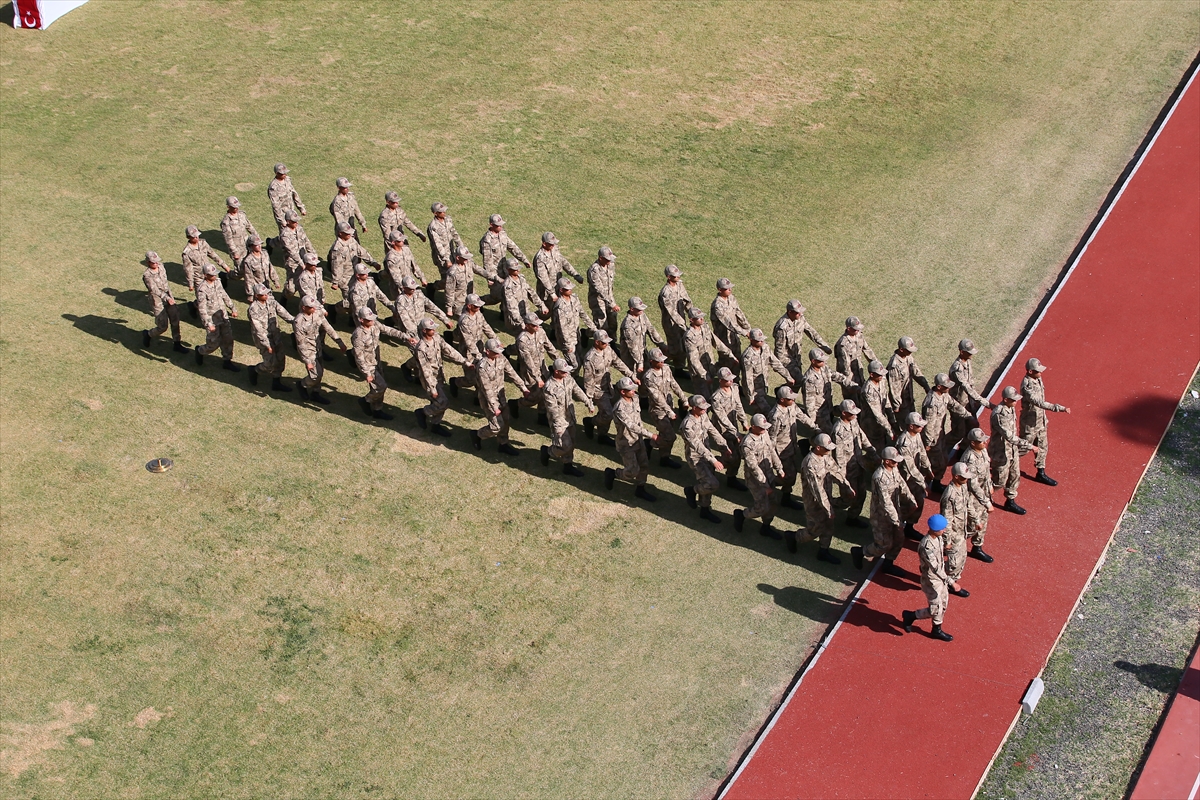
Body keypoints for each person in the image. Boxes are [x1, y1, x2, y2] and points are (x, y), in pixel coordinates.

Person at [851, 446, 915, 575]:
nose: (897, 463)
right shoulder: (880, 477)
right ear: (886, 461)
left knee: (898, 539)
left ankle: (888, 564)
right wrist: (897, 521)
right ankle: (860, 552)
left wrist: (911, 499)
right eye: (894, 461)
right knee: (883, 545)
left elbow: (901, 483)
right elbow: (885, 502)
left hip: (894, 511)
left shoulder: (893, 469)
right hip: (881, 515)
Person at [792, 433, 854, 562]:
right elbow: (817, 490)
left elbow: (836, 471)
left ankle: (823, 550)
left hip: (827, 496)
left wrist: (846, 486)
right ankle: (794, 537)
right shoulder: (810, 464)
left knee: (829, 525)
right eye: (827, 448)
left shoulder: (826, 456)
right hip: (814, 501)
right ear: (818, 447)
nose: (829, 450)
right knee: (815, 529)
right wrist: (828, 509)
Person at [470, 337, 530, 456]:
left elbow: (511, 373)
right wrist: (494, 407)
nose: (498, 353)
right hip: (489, 400)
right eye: (495, 351)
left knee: (506, 420)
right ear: (487, 351)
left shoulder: (501, 358)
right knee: (496, 426)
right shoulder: (482, 367)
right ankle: (477, 435)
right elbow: (486, 390)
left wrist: (523, 388)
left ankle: (503, 444)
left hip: (501, 396)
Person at [604, 377, 659, 501]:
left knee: (644, 465)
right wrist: (651, 435)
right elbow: (631, 426)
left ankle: (640, 489)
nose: (634, 391)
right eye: (630, 390)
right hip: (626, 443)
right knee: (632, 471)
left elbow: (638, 420)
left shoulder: (635, 399)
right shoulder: (619, 408)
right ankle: (613, 473)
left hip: (638, 440)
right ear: (622, 392)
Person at [351, 307, 411, 420]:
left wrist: (406, 337)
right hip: (368, 365)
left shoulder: (375, 325)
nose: (372, 321)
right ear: (361, 320)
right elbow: (359, 357)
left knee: (379, 386)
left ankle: (378, 410)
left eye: (372, 319)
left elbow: (388, 330)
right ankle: (365, 400)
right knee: (381, 386)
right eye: (369, 320)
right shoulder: (358, 335)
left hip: (376, 361)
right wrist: (367, 373)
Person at [901, 514, 954, 641]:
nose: (944, 530)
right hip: (931, 580)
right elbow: (934, 568)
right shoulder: (927, 546)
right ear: (935, 529)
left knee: (943, 605)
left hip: (939, 579)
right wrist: (951, 582)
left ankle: (911, 616)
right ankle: (935, 629)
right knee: (936, 608)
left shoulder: (938, 538)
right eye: (942, 528)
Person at [412, 318, 468, 436]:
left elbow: (449, 350)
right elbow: (425, 370)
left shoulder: (436, 338)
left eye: (434, 328)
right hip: (430, 380)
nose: (433, 331)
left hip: (439, 375)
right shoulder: (421, 348)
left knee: (438, 402)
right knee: (443, 402)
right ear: (424, 331)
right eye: (431, 329)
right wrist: (432, 388)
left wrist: (464, 361)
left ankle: (435, 425)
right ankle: (423, 413)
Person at [581, 330, 637, 447]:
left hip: (608, 387)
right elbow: (588, 380)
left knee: (607, 411)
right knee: (608, 414)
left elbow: (617, 362)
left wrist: (630, 375)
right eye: (604, 342)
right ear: (597, 342)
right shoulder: (590, 359)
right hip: (597, 391)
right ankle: (590, 422)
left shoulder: (608, 350)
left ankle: (602, 436)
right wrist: (589, 399)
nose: (606, 344)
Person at [1020, 357, 1070, 486]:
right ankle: (1002, 462)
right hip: (1030, 423)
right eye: (1038, 371)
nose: (1041, 373)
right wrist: (1058, 408)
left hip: (1041, 421)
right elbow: (1039, 402)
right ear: (1030, 371)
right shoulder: (1027, 385)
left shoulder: (1037, 379)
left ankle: (1040, 473)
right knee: (1023, 448)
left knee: (1043, 447)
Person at [540, 358, 594, 477]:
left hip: (570, 417)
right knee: (565, 445)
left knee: (572, 442)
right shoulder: (549, 388)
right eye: (564, 371)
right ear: (556, 371)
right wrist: (559, 427)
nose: (567, 373)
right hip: (559, 421)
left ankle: (568, 466)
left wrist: (587, 402)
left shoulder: (567, 378)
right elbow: (552, 410)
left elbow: (576, 389)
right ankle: (548, 452)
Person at [989, 385, 1038, 514]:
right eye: (1013, 399)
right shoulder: (999, 414)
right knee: (999, 481)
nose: (1016, 402)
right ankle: (983, 496)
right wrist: (1029, 446)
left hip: (1012, 451)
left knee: (1015, 476)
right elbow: (1009, 436)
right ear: (1005, 399)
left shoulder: (1010, 408)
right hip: (1001, 453)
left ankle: (1010, 501)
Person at [681, 394, 730, 523]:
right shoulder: (687, 425)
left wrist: (724, 446)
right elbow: (697, 446)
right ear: (693, 407)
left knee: (708, 482)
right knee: (712, 483)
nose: (705, 410)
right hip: (696, 458)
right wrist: (713, 460)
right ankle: (691, 491)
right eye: (701, 408)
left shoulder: (703, 416)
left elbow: (712, 430)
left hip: (707, 455)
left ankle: (705, 510)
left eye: (705, 408)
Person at [735, 413, 784, 539]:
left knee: (773, 502)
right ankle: (742, 514)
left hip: (769, 475)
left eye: (765, 427)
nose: (764, 430)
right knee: (762, 507)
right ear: (753, 427)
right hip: (756, 480)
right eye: (761, 428)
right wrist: (765, 485)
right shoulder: (747, 443)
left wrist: (779, 468)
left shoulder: (764, 433)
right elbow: (753, 467)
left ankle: (766, 527)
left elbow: (771, 450)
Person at [922, 372, 974, 490]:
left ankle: (935, 482)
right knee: (936, 462)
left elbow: (954, 405)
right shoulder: (932, 403)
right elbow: (928, 425)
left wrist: (968, 416)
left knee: (943, 459)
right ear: (939, 386)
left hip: (939, 435)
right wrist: (928, 443)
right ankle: (926, 485)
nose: (949, 387)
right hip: (933, 439)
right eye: (947, 386)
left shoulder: (943, 395)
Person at [940, 462, 985, 597]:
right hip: (953, 534)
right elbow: (946, 520)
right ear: (956, 476)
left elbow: (968, 504)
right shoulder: (950, 495)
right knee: (954, 562)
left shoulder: (963, 486)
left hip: (961, 530)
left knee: (962, 558)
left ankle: (948, 578)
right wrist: (947, 540)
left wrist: (976, 520)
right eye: (964, 477)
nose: (967, 479)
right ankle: (948, 584)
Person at [769, 385, 818, 510]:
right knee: (788, 476)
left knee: (791, 475)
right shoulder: (775, 416)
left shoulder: (791, 406)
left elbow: (802, 417)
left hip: (792, 446)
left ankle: (785, 496)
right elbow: (771, 439)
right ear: (781, 399)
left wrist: (815, 428)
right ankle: (765, 484)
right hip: (781, 451)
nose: (793, 400)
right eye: (790, 399)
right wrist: (775, 460)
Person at [293, 294, 347, 405]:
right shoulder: (299, 322)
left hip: (318, 347)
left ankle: (315, 393)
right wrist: (307, 361)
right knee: (315, 374)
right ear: (304, 307)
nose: (314, 309)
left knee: (320, 372)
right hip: (308, 351)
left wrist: (339, 342)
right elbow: (301, 343)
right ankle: (302, 384)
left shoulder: (317, 314)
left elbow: (328, 327)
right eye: (311, 307)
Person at [831, 399, 876, 528]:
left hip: (858, 465)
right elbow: (838, 457)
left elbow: (861, 437)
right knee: (848, 499)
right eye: (852, 413)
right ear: (844, 413)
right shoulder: (838, 431)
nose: (855, 415)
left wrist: (872, 451)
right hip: (847, 471)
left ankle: (852, 518)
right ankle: (825, 504)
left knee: (861, 495)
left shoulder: (853, 421)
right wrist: (843, 481)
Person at [643, 347, 687, 468]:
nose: (662, 362)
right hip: (658, 411)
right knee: (670, 436)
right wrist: (669, 412)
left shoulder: (666, 368)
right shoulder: (648, 377)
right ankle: (650, 443)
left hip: (669, 406)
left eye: (662, 360)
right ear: (651, 361)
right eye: (659, 361)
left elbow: (674, 384)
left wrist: (683, 398)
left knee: (666, 433)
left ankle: (664, 458)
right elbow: (657, 398)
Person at [247, 283, 294, 393]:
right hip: (264, 340)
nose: (266, 296)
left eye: (266, 293)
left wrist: (295, 321)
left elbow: (282, 312)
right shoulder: (253, 309)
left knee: (280, 359)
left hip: (276, 336)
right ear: (257, 295)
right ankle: (255, 370)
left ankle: (276, 382)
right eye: (263, 294)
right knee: (269, 363)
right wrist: (267, 345)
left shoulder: (271, 301)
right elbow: (258, 329)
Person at [327, 222, 380, 318]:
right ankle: (334, 309)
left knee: (361, 297)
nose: (349, 234)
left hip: (356, 275)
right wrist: (335, 281)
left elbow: (361, 252)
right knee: (349, 302)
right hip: (345, 279)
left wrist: (373, 262)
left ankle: (354, 316)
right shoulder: (337, 248)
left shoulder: (352, 240)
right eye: (347, 233)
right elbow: (336, 266)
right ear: (340, 233)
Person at [514, 313, 561, 421]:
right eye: (534, 325)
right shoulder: (522, 340)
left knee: (546, 392)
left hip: (543, 369)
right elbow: (528, 362)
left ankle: (542, 415)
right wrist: (538, 379)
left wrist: (558, 360)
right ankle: (516, 404)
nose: (537, 327)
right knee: (534, 397)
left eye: (538, 325)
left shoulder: (540, 332)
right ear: (527, 326)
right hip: (530, 374)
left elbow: (549, 346)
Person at [948, 339, 995, 443]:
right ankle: (939, 448)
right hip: (958, 404)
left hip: (968, 402)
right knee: (958, 432)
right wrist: (987, 403)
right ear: (962, 352)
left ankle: (964, 449)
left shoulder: (968, 361)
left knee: (973, 427)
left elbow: (971, 383)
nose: (971, 355)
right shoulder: (957, 368)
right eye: (969, 352)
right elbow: (967, 388)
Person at [193, 264, 238, 370]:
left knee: (228, 339)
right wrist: (208, 323)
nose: (214, 276)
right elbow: (202, 308)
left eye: (215, 274)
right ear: (205, 275)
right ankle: (200, 351)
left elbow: (224, 294)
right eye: (212, 275)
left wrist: (232, 308)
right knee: (213, 344)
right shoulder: (202, 289)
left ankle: (227, 361)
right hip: (212, 320)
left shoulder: (217, 281)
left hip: (223, 316)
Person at [959, 427, 995, 562]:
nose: (984, 443)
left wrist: (990, 485)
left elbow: (986, 472)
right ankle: (952, 546)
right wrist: (986, 501)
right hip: (972, 497)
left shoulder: (982, 450)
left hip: (983, 493)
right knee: (971, 524)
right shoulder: (970, 458)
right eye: (981, 441)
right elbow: (972, 484)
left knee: (983, 521)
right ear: (973, 443)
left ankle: (977, 547)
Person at [895, 411, 933, 538]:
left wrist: (928, 468)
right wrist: (923, 483)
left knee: (919, 502)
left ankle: (909, 527)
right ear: (911, 426)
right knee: (906, 504)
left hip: (916, 478)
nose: (921, 427)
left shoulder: (916, 435)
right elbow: (910, 467)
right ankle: (897, 529)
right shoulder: (904, 442)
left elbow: (922, 452)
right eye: (918, 425)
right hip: (907, 479)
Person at [773, 299, 832, 381]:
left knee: (796, 384)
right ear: (790, 312)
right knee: (799, 381)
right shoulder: (782, 328)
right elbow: (779, 352)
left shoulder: (800, 318)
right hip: (787, 360)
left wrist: (824, 346)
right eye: (798, 312)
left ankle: (785, 392)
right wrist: (784, 371)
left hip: (797, 357)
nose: (800, 314)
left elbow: (811, 332)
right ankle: (780, 392)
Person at [801, 348, 857, 433]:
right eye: (820, 361)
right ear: (813, 361)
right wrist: (812, 423)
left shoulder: (824, 368)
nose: (823, 362)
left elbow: (837, 376)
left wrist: (853, 385)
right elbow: (809, 403)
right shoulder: (810, 379)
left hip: (829, 407)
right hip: (820, 414)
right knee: (830, 435)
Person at [684, 307, 736, 397]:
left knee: (711, 393)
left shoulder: (705, 327)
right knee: (703, 398)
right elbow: (693, 359)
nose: (702, 319)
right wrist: (704, 375)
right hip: (699, 373)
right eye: (699, 318)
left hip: (710, 366)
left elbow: (716, 342)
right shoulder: (690, 336)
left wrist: (730, 354)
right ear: (691, 320)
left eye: (702, 317)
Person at [140, 251, 187, 352]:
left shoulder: (161, 267)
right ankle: (148, 334)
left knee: (175, 320)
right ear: (148, 262)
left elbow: (166, 284)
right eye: (154, 262)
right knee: (162, 326)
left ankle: (177, 343)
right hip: (157, 300)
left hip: (168, 297)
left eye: (157, 261)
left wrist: (171, 297)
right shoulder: (147, 275)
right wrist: (167, 298)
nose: (156, 264)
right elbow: (154, 290)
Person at [711, 366, 748, 490]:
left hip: (733, 427)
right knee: (731, 455)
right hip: (722, 430)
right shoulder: (716, 398)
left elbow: (738, 405)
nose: (730, 381)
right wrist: (736, 434)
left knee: (737, 454)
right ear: (720, 380)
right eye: (727, 380)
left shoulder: (734, 388)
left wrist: (744, 421)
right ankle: (709, 463)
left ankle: (731, 478)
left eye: (731, 379)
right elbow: (722, 419)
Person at [741, 328, 793, 415]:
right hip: (755, 390)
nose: (761, 342)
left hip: (764, 385)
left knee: (762, 411)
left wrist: (788, 376)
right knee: (767, 412)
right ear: (751, 340)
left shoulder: (765, 348)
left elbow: (775, 362)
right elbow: (747, 378)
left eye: (762, 340)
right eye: (759, 340)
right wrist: (751, 396)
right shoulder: (748, 357)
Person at [182, 225, 230, 316]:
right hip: (198, 277)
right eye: (194, 236)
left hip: (210, 274)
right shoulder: (187, 252)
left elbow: (213, 254)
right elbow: (188, 269)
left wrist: (224, 265)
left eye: (197, 235)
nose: (196, 238)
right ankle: (196, 308)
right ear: (188, 237)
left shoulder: (203, 243)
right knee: (202, 299)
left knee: (215, 293)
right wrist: (191, 283)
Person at [451, 293, 494, 392]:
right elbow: (468, 342)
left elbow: (485, 326)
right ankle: (456, 382)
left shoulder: (478, 314)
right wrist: (478, 356)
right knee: (471, 379)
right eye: (476, 306)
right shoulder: (464, 321)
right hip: (469, 353)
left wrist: (495, 339)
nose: (479, 307)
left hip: (480, 347)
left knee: (482, 374)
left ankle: (478, 396)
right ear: (469, 306)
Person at [619, 296, 667, 377]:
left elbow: (651, 329)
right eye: (639, 309)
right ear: (632, 309)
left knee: (646, 375)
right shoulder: (628, 325)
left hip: (642, 351)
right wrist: (639, 362)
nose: (642, 310)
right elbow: (632, 346)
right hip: (632, 357)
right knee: (634, 377)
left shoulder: (641, 315)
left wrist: (661, 344)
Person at [277, 210, 317, 307]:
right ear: (288, 221)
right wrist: (301, 263)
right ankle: (284, 298)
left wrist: (313, 253)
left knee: (307, 283)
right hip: (293, 263)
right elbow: (292, 252)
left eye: (297, 221)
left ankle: (305, 305)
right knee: (291, 288)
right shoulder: (285, 235)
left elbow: (306, 240)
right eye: (294, 221)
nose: (296, 223)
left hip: (305, 259)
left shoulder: (299, 229)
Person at [551, 278, 592, 369]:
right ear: (561, 290)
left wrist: (592, 326)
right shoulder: (560, 307)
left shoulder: (574, 299)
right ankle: (558, 374)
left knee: (580, 360)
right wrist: (568, 345)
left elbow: (582, 313)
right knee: (574, 365)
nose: (570, 290)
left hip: (576, 334)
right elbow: (562, 328)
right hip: (566, 339)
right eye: (568, 289)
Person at [499, 258, 548, 334]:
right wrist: (520, 322)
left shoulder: (521, 278)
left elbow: (531, 292)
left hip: (526, 313)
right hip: (516, 319)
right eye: (515, 269)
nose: (518, 270)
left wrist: (541, 305)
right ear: (508, 270)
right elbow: (511, 307)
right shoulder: (508, 286)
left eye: (518, 268)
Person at [710, 278, 752, 366]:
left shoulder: (731, 298)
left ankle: (736, 379)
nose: (730, 290)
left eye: (730, 287)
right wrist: (745, 333)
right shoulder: (717, 305)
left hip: (734, 336)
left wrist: (748, 329)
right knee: (727, 361)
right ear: (720, 289)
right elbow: (728, 324)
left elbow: (739, 314)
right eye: (727, 288)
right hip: (723, 338)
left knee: (737, 360)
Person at [886, 336, 930, 420]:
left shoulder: (908, 357)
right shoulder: (894, 366)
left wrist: (926, 386)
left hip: (909, 398)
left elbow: (916, 372)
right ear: (901, 349)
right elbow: (894, 387)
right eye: (909, 350)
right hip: (901, 404)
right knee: (905, 424)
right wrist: (896, 405)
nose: (911, 352)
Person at [533, 231, 583, 306]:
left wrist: (575, 274)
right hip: (547, 293)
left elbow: (563, 261)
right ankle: (530, 317)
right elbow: (543, 277)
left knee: (560, 311)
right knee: (546, 313)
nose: (553, 245)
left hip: (559, 287)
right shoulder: (540, 258)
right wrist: (552, 293)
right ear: (544, 244)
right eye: (551, 244)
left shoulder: (554, 248)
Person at [658, 264, 692, 368]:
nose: (678, 277)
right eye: (675, 275)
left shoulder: (679, 285)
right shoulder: (665, 293)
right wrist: (682, 325)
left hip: (681, 319)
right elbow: (671, 312)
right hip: (671, 323)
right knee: (675, 346)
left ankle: (680, 365)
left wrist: (692, 314)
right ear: (668, 276)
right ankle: (672, 365)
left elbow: (687, 300)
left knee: (683, 343)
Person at [479, 214, 532, 279]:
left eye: (501, 224)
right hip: (495, 274)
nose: (500, 226)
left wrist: (524, 260)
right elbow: (487, 262)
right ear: (491, 225)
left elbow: (513, 247)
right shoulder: (487, 240)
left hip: (506, 270)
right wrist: (490, 278)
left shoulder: (502, 233)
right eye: (498, 225)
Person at [443, 246, 490, 319]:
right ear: (458, 258)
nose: (467, 259)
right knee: (466, 321)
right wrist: (449, 308)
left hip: (471, 299)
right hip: (459, 303)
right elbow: (449, 291)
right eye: (465, 257)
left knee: (477, 319)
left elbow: (480, 270)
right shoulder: (452, 272)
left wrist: (494, 278)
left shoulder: (469, 263)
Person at [858, 359, 894, 452]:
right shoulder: (868, 391)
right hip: (871, 425)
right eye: (879, 374)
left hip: (882, 422)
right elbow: (877, 414)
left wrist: (891, 415)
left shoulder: (881, 381)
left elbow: (886, 398)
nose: (882, 376)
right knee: (877, 450)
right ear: (871, 375)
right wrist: (889, 429)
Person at [426, 201, 465, 282]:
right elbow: (438, 245)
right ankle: (433, 287)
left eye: (444, 211)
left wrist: (461, 248)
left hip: (452, 253)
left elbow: (455, 234)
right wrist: (446, 259)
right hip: (441, 257)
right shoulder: (433, 227)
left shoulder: (448, 220)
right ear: (435, 213)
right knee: (446, 280)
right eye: (441, 212)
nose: (444, 213)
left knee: (456, 276)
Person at [267, 163, 306, 242]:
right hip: (283, 214)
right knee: (285, 237)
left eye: (285, 172)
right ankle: (271, 243)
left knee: (295, 232)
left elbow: (294, 193)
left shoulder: (287, 180)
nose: (284, 174)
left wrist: (301, 207)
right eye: (282, 173)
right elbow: (276, 206)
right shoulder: (273, 187)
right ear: (277, 173)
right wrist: (282, 220)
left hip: (291, 211)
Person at [834, 316, 877, 387]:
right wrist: (850, 383)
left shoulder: (859, 335)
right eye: (855, 329)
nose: (858, 330)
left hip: (859, 371)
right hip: (850, 376)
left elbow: (867, 349)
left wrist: (876, 363)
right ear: (849, 328)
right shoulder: (843, 345)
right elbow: (845, 366)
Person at [587, 245, 619, 337]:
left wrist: (611, 301)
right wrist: (612, 304)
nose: (610, 261)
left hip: (610, 297)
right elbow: (599, 289)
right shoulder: (594, 270)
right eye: (607, 259)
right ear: (601, 258)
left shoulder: (611, 265)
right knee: (601, 325)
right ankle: (586, 334)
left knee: (613, 322)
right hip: (597, 300)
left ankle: (612, 342)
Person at [220, 196, 259, 265]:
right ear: (228, 207)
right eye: (234, 206)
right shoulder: (226, 222)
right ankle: (228, 276)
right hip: (238, 250)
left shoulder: (241, 215)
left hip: (248, 245)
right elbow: (228, 240)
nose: (236, 208)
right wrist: (235, 252)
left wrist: (256, 238)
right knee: (241, 270)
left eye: (237, 206)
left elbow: (249, 226)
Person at [239, 236, 277, 303]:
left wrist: (275, 280)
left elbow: (270, 267)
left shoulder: (265, 253)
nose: (259, 246)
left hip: (267, 285)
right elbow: (248, 278)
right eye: (256, 245)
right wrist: (250, 294)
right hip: (258, 288)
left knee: (271, 302)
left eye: (260, 244)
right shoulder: (248, 261)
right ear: (251, 246)